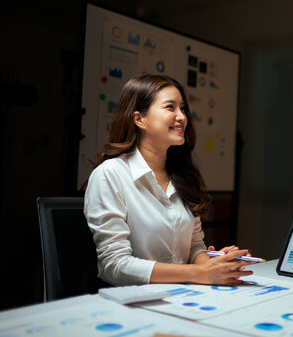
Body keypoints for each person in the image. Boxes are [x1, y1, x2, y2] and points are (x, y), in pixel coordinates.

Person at [84, 74, 252, 286]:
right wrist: (197, 273)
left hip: (182, 296)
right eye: (170, 107)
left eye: (182, 108)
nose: (181, 116)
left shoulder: (183, 176)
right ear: (139, 119)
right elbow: (114, 265)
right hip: (134, 303)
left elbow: (194, 246)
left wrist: (214, 264)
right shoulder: (110, 175)